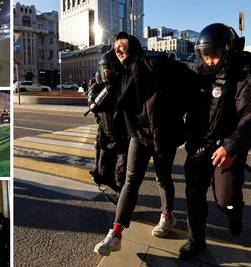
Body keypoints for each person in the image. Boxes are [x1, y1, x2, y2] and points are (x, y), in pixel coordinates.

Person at [93, 32, 199, 256]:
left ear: (132, 46)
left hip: (163, 136)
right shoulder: (120, 74)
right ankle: (116, 233)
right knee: (131, 181)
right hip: (139, 135)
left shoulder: (154, 64)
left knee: (163, 178)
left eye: (121, 46)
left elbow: (191, 84)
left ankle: (167, 216)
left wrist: (179, 116)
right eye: (115, 48)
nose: (117, 50)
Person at [179, 23, 251, 260]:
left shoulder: (243, 78)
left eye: (215, 55)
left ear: (227, 51)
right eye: (205, 56)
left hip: (228, 149)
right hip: (200, 147)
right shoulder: (200, 78)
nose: (210, 61)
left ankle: (234, 212)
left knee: (225, 199)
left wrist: (231, 146)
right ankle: (196, 241)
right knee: (194, 195)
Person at [88, 50, 128, 193]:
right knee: (103, 167)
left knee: (121, 172)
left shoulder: (125, 84)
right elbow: (92, 103)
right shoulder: (99, 84)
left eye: (108, 69)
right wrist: (102, 89)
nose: (106, 73)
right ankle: (102, 176)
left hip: (123, 136)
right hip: (105, 132)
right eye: (104, 69)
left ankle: (121, 195)